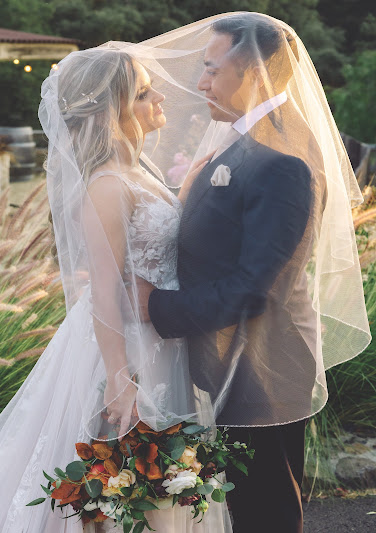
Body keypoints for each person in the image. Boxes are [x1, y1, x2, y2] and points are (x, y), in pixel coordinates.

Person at [129, 12, 371, 533]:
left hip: (262, 367)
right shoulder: (244, 139)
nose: (201, 83)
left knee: (266, 512)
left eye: (212, 69)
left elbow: (254, 288)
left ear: (255, 73)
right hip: (234, 357)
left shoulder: (284, 158)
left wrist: (155, 306)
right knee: (251, 506)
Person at [0, 48, 231, 533]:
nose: (159, 97)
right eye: (143, 93)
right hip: (127, 347)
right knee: (124, 480)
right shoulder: (107, 186)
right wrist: (118, 378)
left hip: (162, 339)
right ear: (110, 112)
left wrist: (187, 194)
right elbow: (105, 289)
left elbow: (153, 249)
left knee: (163, 477)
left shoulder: (137, 173)